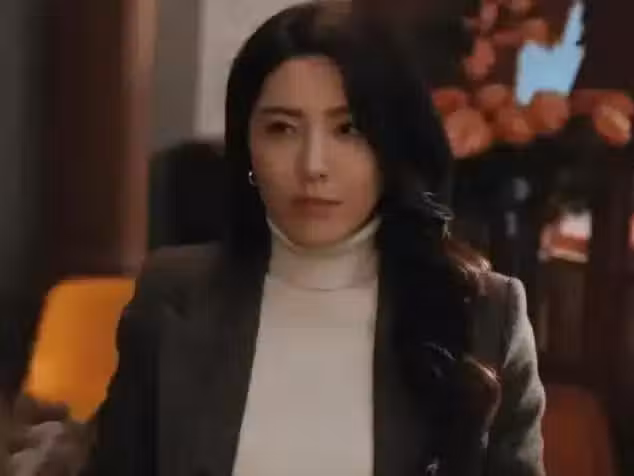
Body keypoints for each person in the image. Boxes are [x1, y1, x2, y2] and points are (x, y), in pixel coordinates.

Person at [83, 1, 546, 475]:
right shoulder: (171, 295)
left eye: (348, 129)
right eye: (282, 129)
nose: (313, 165)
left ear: (392, 146)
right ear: (246, 148)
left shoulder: (486, 316)